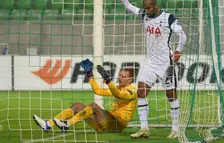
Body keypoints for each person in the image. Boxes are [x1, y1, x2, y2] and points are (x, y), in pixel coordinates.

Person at [120, 0, 187, 138]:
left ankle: (175, 129)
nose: (147, 10)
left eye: (149, 8)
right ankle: (144, 127)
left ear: (155, 6)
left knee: (171, 95)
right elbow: (128, 5)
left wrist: (178, 51)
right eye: (145, 8)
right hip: (150, 63)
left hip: (166, 65)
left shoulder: (168, 18)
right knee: (141, 91)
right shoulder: (144, 14)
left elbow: (182, 35)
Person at [33, 59, 137, 133]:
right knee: (77, 106)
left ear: (130, 79)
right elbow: (98, 91)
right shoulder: (118, 87)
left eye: (124, 77)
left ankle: (67, 124)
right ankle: (48, 125)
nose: (120, 78)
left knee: (93, 106)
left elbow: (118, 94)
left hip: (117, 125)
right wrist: (90, 74)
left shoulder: (132, 91)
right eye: (120, 75)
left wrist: (108, 80)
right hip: (104, 125)